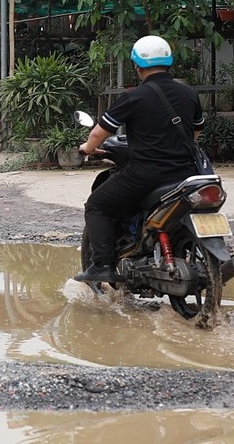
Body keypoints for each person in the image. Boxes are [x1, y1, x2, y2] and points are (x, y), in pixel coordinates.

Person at [73, 35, 206, 283]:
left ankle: (102, 265)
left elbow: (99, 132)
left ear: (137, 66)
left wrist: (88, 148)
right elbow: (195, 132)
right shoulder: (188, 93)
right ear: (169, 63)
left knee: (97, 205)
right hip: (187, 174)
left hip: (146, 175)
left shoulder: (134, 97)